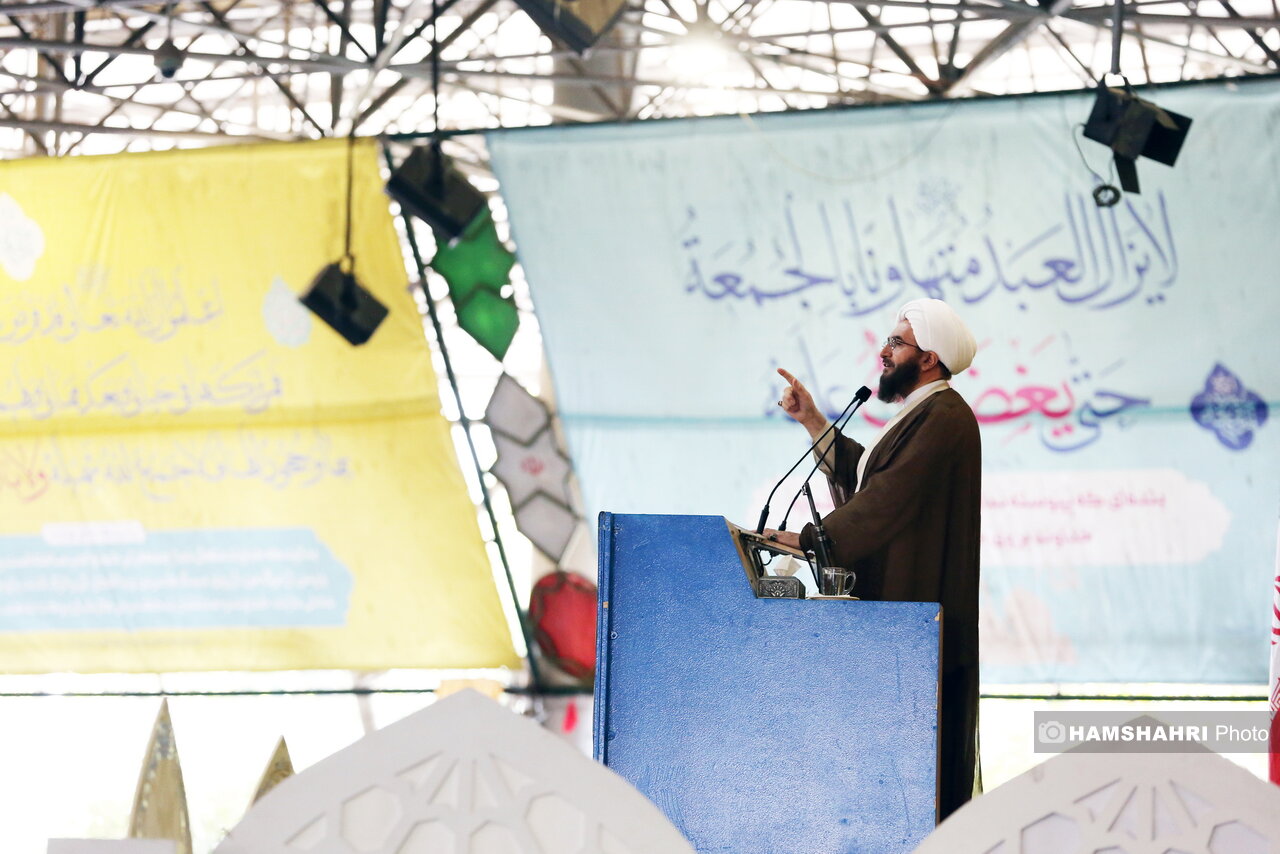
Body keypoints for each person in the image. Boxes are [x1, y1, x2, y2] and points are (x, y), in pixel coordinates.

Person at [764, 297, 981, 822]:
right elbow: (869, 477)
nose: (884, 352)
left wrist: (811, 540)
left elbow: (885, 499)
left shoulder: (945, 415)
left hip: (914, 632)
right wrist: (812, 420)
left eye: (896, 342)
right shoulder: (924, 411)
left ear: (928, 358)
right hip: (901, 632)